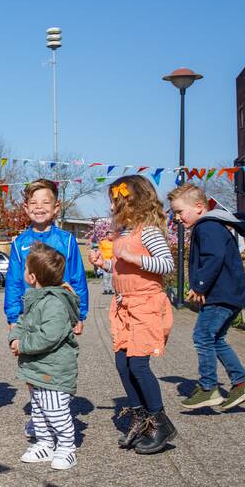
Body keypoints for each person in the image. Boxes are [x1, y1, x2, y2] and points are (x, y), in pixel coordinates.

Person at [89, 175, 176, 455]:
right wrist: (104, 264)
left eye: (118, 200)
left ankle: (160, 423)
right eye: (113, 201)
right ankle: (141, 419)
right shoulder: (122, 234)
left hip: (146, 305)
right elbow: (122, 269)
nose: (114, 205)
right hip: (124, 305)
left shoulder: (149, 231)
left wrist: (134, 259)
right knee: (122, 364)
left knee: (138, 365)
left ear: (134, 201)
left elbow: (166, 264)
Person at [5, 178, 89, 439]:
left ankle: (59, 413)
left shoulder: (66, 240)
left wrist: (80, 313)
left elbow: (77, 278)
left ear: (56, 207)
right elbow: (14, 281)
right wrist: (12, 316)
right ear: (26, 207)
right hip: (31, 314)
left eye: (45, 202)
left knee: (56, 362)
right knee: (31, 364)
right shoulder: (20, 244)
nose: (39, 207)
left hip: (59, 313)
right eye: (33, 203)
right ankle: (39, 414)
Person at [168, 183, 245, 412]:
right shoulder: (214, 225)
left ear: (199, 207)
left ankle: (208, 387)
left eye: (180, 212)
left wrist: (199, 286)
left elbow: (214, 257)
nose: (177, 217)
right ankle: (241, 383)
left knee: (202, 336)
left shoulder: (207, 226)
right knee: (216, 338)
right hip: (230, 295)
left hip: (222, 295)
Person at [8, 243, 80, 470]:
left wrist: (23, 345)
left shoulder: (54, 302)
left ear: (31, 276)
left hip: (54, 370)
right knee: (38, 409)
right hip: (38, 369)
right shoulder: (36, 298)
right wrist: (14, 337)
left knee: (56, 410)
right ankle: (46, 442)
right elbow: (23, 322)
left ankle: (67, 447)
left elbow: (50, 336)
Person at [99, 229, 115, 295]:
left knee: (111, 276)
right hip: (105, 261)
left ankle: (110, 289)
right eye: (110, 235)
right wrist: (101, 260)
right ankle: (105, 289)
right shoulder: (102, 242)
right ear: (107, 235)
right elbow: (100, 251)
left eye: (112, 235)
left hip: (112, 261)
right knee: (105, 276)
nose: (112, 236)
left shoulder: (114, 243)